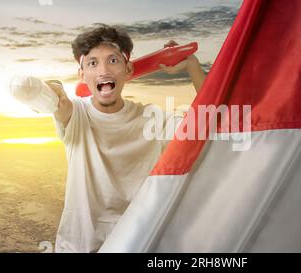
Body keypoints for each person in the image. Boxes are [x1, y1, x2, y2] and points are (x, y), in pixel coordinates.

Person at [45, 23, 206, 252]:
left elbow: (210, 118)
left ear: (128, 70)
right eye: (93, 63)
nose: (104, 71)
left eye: (113, 60)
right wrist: (48, 91)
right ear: (82, 75)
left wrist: (192, 65)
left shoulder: (153, 118)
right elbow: (57, 101)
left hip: (136, 245)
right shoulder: (76, 114)